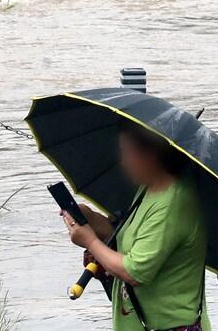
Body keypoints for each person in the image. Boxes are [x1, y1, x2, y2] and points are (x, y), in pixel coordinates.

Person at [61, 122, 210, 330]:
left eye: (128, 153)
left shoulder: (175, 201)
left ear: (152, 154)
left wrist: (90, 241)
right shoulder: (149, 187)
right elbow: (129, 238)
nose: (123, 162)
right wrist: (91, 220)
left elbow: (135, 271)